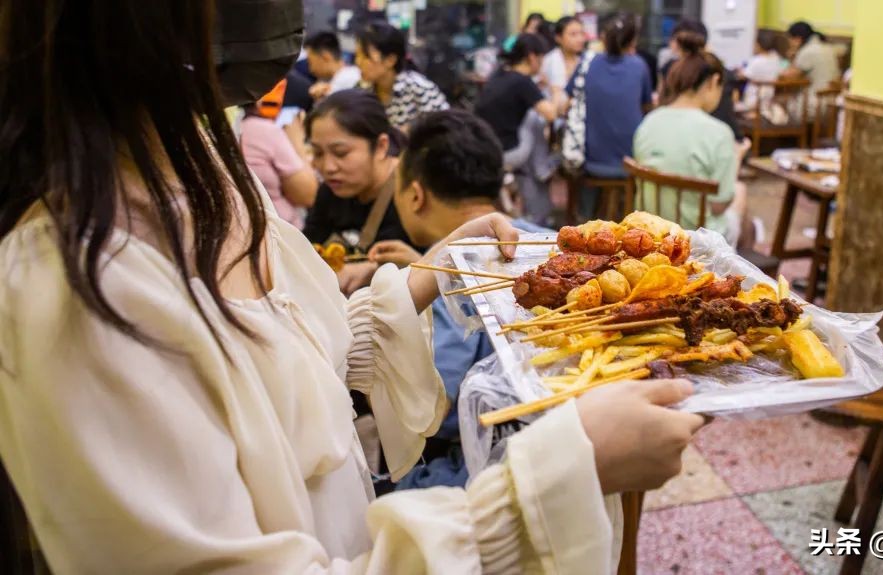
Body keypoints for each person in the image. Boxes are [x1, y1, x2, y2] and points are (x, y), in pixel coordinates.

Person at [0, 2, 705, 573]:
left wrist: (430, 273)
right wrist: (554, 483)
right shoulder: (74, 294)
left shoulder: (207, 176)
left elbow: (301, 367)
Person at [364, 110, 549, 490]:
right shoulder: (549, 241)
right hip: (569, 455)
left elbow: (436, 411)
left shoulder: (450, 283)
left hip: (491, 478)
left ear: (414, 195)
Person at [634, 32, 751, 247]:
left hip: (651, 231)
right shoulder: (719, 132)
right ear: (713, 82)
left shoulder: (649, 121)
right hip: (696, 239)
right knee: (741, 194)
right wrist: (735, 159)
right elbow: (719, 205)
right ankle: (735, 269)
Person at [302, 90, 417, 295]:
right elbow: (308, 248)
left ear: (381, 146)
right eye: (318, 153)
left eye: (341, 153)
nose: (328, 167)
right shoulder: (330, 191)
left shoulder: (413, 193)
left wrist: (377, 271)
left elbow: (435, 269)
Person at [474, 34, 564, 225]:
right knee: (534, 118)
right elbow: (551, 114)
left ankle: (539, 171)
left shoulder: (499, 75)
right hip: (509, 152)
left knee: (530, 120)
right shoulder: (523, 82)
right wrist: (555, 90)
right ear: (532, 57)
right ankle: (543, 167)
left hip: (487, 149)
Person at [570, 14, 652, 218]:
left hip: (591, 161)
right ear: (632, 41)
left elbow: (568, 99)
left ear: (603, 38)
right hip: (630, 164)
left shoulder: (588, 63)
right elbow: (647, 107)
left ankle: (584, 219)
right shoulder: (639, 66)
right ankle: (627, 220)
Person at [240, 81, 320, 230]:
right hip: (279, 233)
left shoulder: (239, 126)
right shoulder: (263, 130)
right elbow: (307, 195)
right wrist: (297, 140)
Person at [658, 19, 743, 141]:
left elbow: (662, 101)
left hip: (685, 138)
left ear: (678, 43)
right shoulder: (725, 72)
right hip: (729, 138)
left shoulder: (670, 69)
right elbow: (734, 101)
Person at [356, 20, 450, 130]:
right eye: (357, 55)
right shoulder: (361, 91)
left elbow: (447, 130)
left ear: (390, 60)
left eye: (365, 57)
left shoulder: (419, 88)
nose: (358, 62)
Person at [780, 21, 840, 109]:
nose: (789, 42)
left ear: (797, 39)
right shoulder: (827, 47)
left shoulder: (807, 51)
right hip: (833, 105)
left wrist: (791, 56)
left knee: (778, 103)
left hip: (815, 106)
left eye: (790, 39)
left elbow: (788, 77)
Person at [303, 31, 363, 101]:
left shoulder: (347, 79)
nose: (311, 69)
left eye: (310, 62)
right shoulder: (331, 80)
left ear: (325, 57)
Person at [736, 30, 786, 113]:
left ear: (758, 45)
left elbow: (742, 75)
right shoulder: (776, 58)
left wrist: (739, 70)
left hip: (753, 101)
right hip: (768, 100)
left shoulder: (756, 61)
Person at [539, 16, 586, 101]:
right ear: (558, 37)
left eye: (582, 34)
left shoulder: (584, 61)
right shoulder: (550, 60)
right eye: (573, 34)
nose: (580, 39)